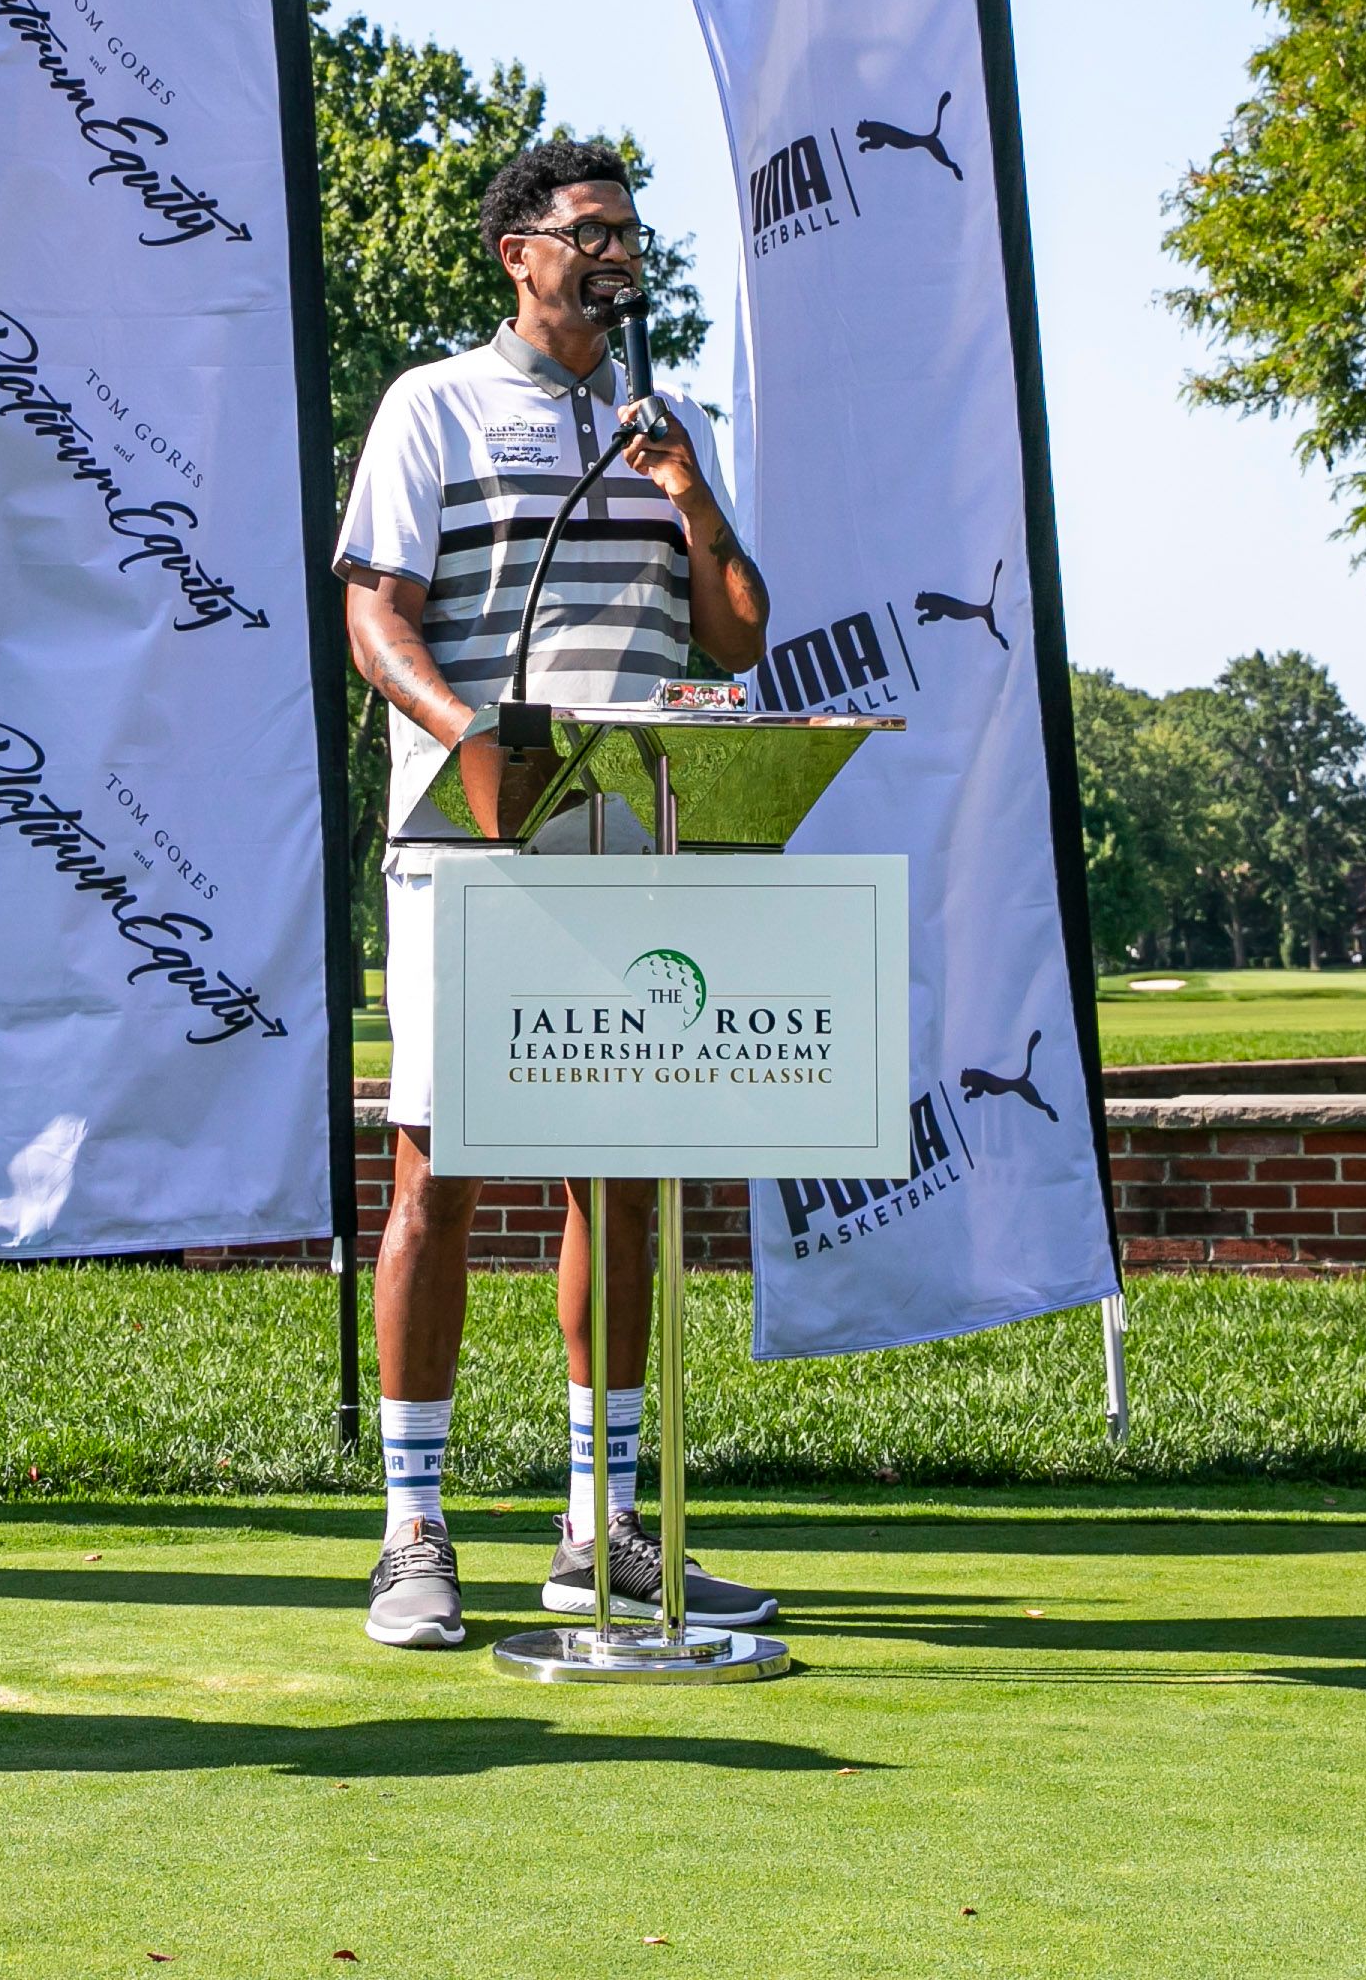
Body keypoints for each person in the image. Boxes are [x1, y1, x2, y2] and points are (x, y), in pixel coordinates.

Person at [329, 142, 784, 1650]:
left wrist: (687, 490)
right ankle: (413, 1531)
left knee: (624, 1182)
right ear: (517, 253)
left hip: (632, 844)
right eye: (590, 231)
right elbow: (374, 615)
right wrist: (466, 735)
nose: (617, 253)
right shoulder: (435, 406)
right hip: (472, 838)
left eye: (629, 233)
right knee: (438, 1174)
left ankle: (600, 1527)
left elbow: (731, 640)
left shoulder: (676, 419)